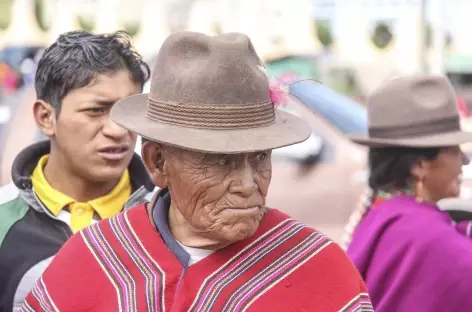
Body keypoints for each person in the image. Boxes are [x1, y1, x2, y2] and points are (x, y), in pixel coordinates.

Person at [21, 31, 373, 312]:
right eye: (221, 161)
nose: (249, 184)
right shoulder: (95, 259)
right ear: (159, 162)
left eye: (261, 157)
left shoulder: (316, 269)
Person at [0, 30, 154, 311]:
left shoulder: (168, 217)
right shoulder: (3, 219)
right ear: (46, 118)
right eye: (96, 110)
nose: (117, 130)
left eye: (127, 112)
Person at [344, 75, 472, 311]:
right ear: (420, 164)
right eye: (454, 150)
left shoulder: (381, 216)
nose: (464, 159)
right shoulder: (426, 235)